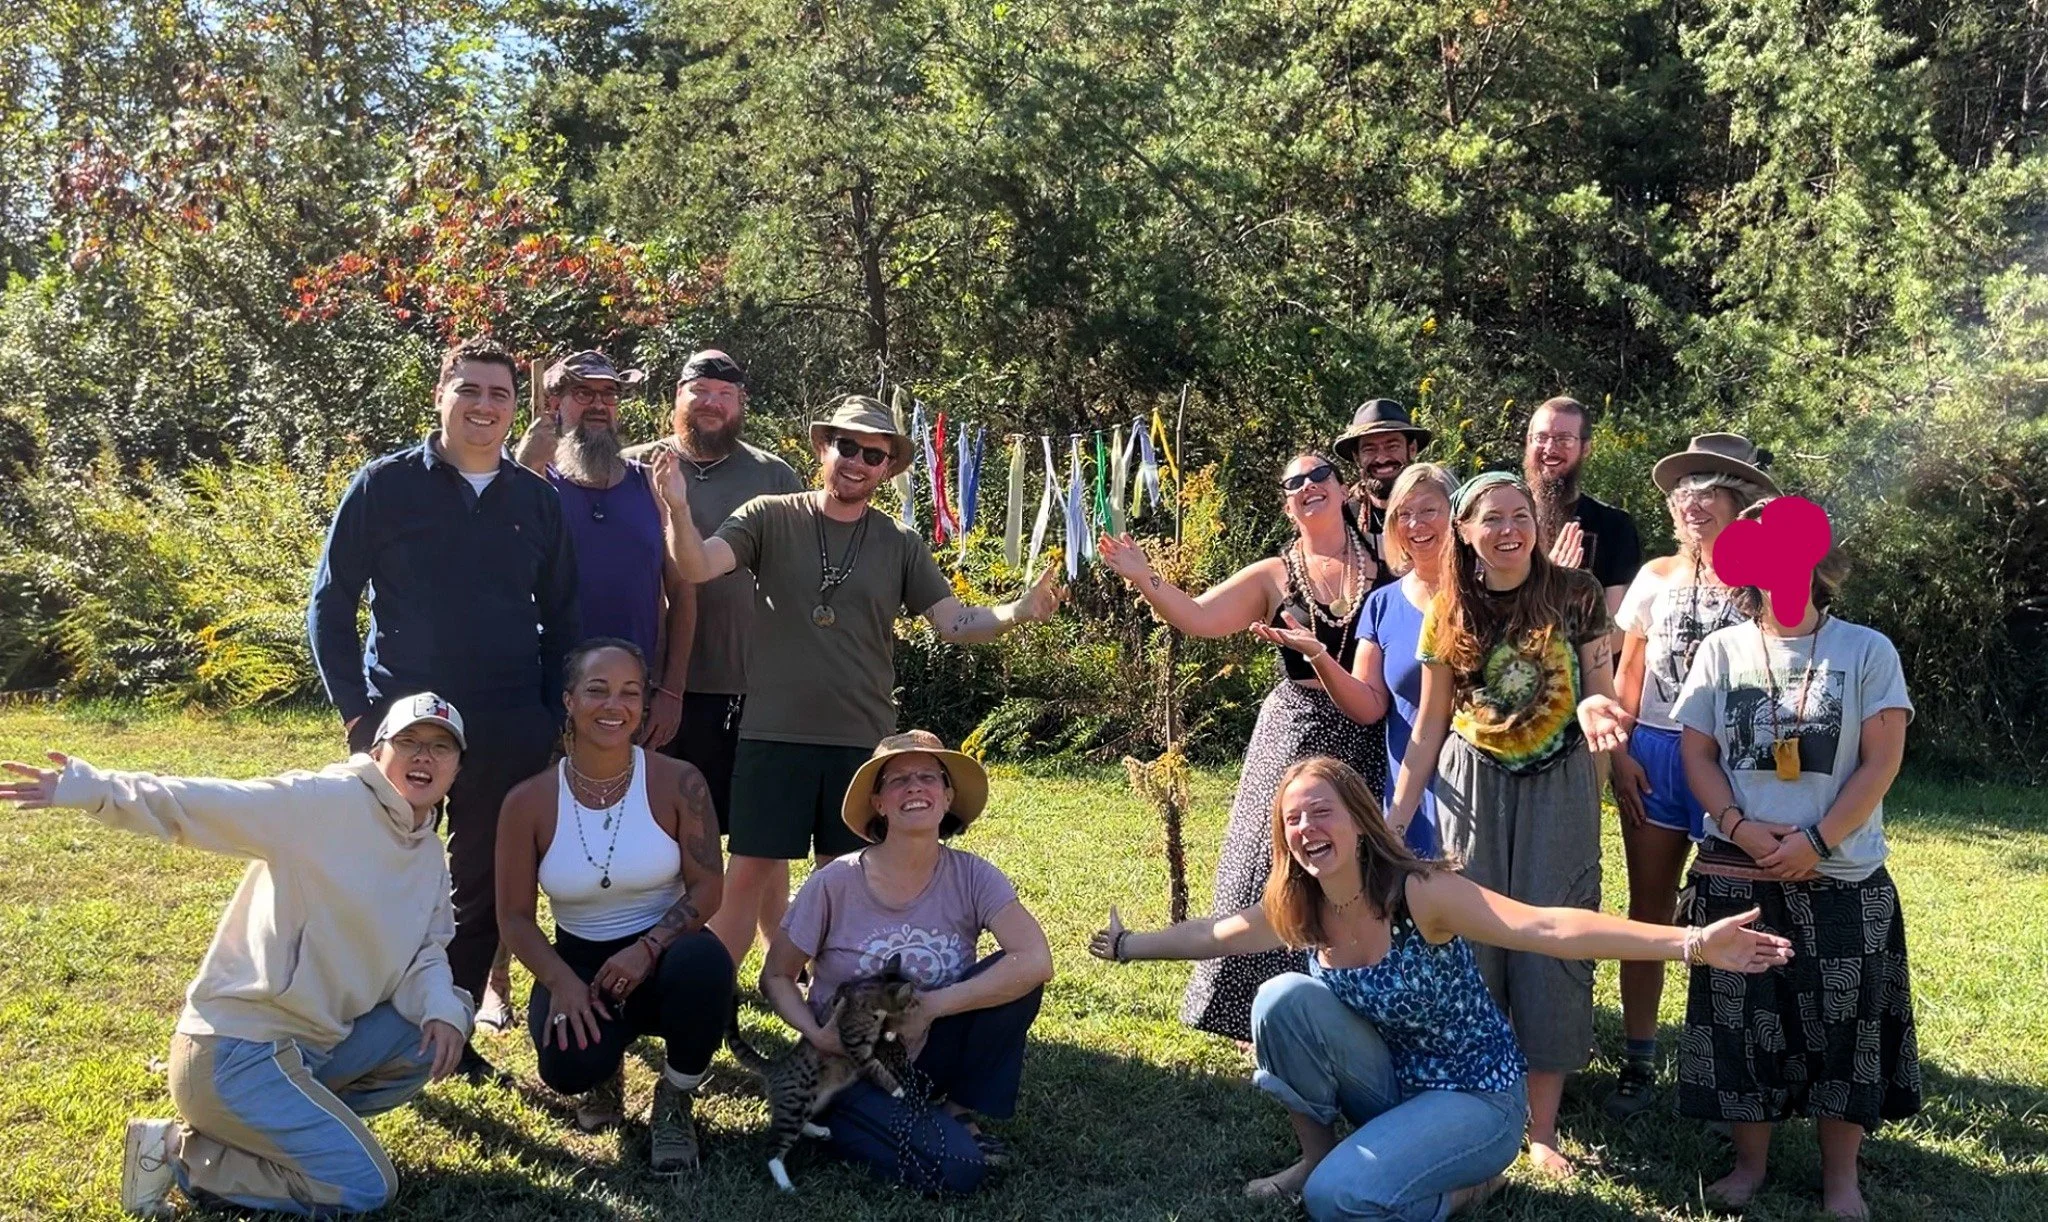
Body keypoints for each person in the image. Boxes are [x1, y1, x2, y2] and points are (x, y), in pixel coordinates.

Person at [1089, 756, 1793, 1220]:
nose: (1306, 828)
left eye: (1320, 810)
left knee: (1342, 1205)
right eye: (1292, 819)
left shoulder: (1419, 895)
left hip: (1473, 1097)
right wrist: (1126, 947)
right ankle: (1314, 1158)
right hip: (1392, 1086)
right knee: (1279, 1000)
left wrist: (1693, 942)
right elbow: (1214, 936)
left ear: (1360, 822)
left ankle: (1468, 1183)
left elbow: (1548, 928)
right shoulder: (1301, 908)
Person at [1, 694, 478, 1218]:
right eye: (408, 742)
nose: (423, 758)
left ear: (457, 767)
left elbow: (425, 955)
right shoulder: (327, 800)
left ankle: (288, 1132)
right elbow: (207, 801)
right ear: (379, 749)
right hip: (236, 1051)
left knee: (430, 1025)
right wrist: (95, 790)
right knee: (364, 1187)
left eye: (440, 747)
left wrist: (442, 1012)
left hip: (311, 1051)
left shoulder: (427, 852)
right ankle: (179, 1155)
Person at [1584, 497, 1919, 1220]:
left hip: (1842, 875)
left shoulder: (1867, 650)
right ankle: (1749, 1165)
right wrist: (1737, 821)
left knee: (1844, 1030)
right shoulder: (1723, 650)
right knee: (1740, 1024)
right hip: (1739, 865)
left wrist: (1818, 840)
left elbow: (1881, 760)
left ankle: (1841, 1179)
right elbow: (1697, 750)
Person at [651, 395, 1062, 968]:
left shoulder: (900, 543)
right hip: (774, 736)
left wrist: (1017, 610)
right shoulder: (769, 515)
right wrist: (676, 509)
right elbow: (695, 567)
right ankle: (706, 1007)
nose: (857, 461)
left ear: (888, 468)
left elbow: (953, 621)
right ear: (823, 448)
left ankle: (829, 1006)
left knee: (845, 886)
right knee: (744, 881)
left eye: (873, 454)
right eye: (847, 446)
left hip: (862, 746)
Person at [307, 337, 579, 1083]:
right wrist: (361, 717)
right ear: (440, 396)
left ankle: (446, 1035)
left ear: (514, 408)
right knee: (383, 874)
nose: (484, 407)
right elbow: (330, 606)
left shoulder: (535, 500)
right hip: (405, 722)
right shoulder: (384, 487)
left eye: (499, 394)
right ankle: (353, 1021)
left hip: (505, 720)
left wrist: (549, 715)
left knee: (483, 885)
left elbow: (563, 618)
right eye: (470, 391)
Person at [1099, 451, 1389, 1043]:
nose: (1308, 488)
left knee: (1355, 866)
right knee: (1264, 864)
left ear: (1341, 488)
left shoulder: (1387, 561)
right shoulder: (1274, 575)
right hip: (1296, 726)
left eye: (1319, 477)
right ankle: (1240, 1011)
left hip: (1366, 732)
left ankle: (1348, 999)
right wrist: (1143, 576)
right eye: (1294, 484)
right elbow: (1200, 616)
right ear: (1287, 503)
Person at [1381, 470, 1619, 1177]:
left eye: (1521, 515)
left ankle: (1541, 1129)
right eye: (1492, 518)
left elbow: (1596, 690)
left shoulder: (1576, 593)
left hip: (1560, 786)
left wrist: (1598, 712)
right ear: (1464, 529)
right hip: (1470, 784)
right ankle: (1485, 1107)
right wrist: (1394, 819)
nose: (1509, 529)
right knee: (1470, 947)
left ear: (1536, 525)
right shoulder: (1448, 608)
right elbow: (1427, 727)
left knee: (1556, 943)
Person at [760, 730, 1053, 1194]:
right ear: (878, 803)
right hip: (847, 1065)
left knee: (1013, 976)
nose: (915, 787)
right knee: (960, 1168)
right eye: (897, 780)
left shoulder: (973, 874)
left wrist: (932, 1007)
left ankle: (956, 1107)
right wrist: (817, 1034)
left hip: (931, 1048)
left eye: (927, 777)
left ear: (948, 795)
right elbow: (775, 975)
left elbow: (1036, 959)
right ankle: (845, 1121)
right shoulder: (835, 882)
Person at [495, 638, 733, 1171]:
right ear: (569, 700)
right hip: (579, 961)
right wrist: (562, 983)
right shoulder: (527, 801)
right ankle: (603, 1075)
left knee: (706, 969)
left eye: (629, 692)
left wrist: (648, 949)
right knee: (567, 1067)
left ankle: (675, 1096)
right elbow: (512, 917)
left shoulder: (680, 782)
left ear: (643, 705)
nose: (613, 705)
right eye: (597, 690)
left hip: (668, 952)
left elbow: (708, 889)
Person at [1598, 434, 1775, 1120]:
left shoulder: (1762, 577)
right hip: (1657, 752)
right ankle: (1639, 1058)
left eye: (1709, 490)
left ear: (1740, 502)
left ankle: (1732, 1058)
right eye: (1683, 492)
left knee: (1733, 909)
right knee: (1648, 907)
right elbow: (1628, 671)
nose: (1693, 503)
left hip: (1735, 759)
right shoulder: (1655, 576)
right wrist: (1619, 755)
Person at [622, 350, 804, 951]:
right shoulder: (633, 468)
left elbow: (802, 572)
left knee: (759, 834)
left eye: (725, 394)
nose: (711, 403)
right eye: (699, 391)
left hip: (751, 680)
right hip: (657, 682)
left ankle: (780, 950)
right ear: (676, 398)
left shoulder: (773, 476)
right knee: (668, 829)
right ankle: (668, 949)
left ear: (741, 404)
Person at [1255, 463, 1458, 858]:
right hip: (1409, 785)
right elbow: (1368, 706)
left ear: (1458, 514)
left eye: (1429, 510)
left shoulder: (1488, 595)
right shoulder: (1383, 603)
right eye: (1403, 514)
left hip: (1480, 776)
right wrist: (1319, 656)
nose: (1415, 524)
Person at [1523, 395, 1641, 618]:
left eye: (1564, 439)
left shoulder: (1614, 526)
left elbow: (1616, 633)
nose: (1550, 448)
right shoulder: (1502, 516)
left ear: (1585, 448)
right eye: (1541, 437)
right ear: (1528, 442)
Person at [1332, 398, 1432, 561]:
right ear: (1357, 457)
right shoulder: (1344, 517)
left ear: (1411, 449)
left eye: (1392, 446)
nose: (1382, 458)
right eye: (1369, 449)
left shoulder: (1440, 507)